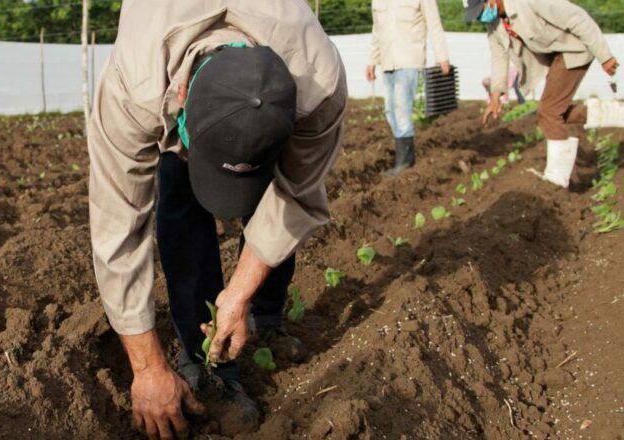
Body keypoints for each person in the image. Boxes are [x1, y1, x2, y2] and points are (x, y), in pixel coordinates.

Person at [87, 1, 347, 438]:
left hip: (281, 69)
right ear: (183, 98)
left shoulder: (317, 82)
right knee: (180, 195)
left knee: (272, 194)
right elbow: (118, 230)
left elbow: (295, 193)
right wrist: (148, 366)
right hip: (166, 68)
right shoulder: (134, 85)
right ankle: (201, 358)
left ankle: (267, 315)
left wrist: (240, 293)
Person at [464, 0, 621, 188]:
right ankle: (616, 113)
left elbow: (577, 17)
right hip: (556, 57)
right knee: (556, 112)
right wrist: (496, 95)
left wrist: (605, 56)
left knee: (548, 112)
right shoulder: (495, 24)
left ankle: (557, 178)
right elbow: (499, 56)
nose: (482, 17)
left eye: (481, 10)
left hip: (574, 50)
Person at [366, 0, 451, 176]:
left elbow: (434, 24)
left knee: (401, 110)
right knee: (390, 111)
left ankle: (405, 163)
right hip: (387, 61)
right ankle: (403, 159)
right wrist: (372, 61)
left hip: (410, 59)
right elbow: (377, 31)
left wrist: (441, 56)